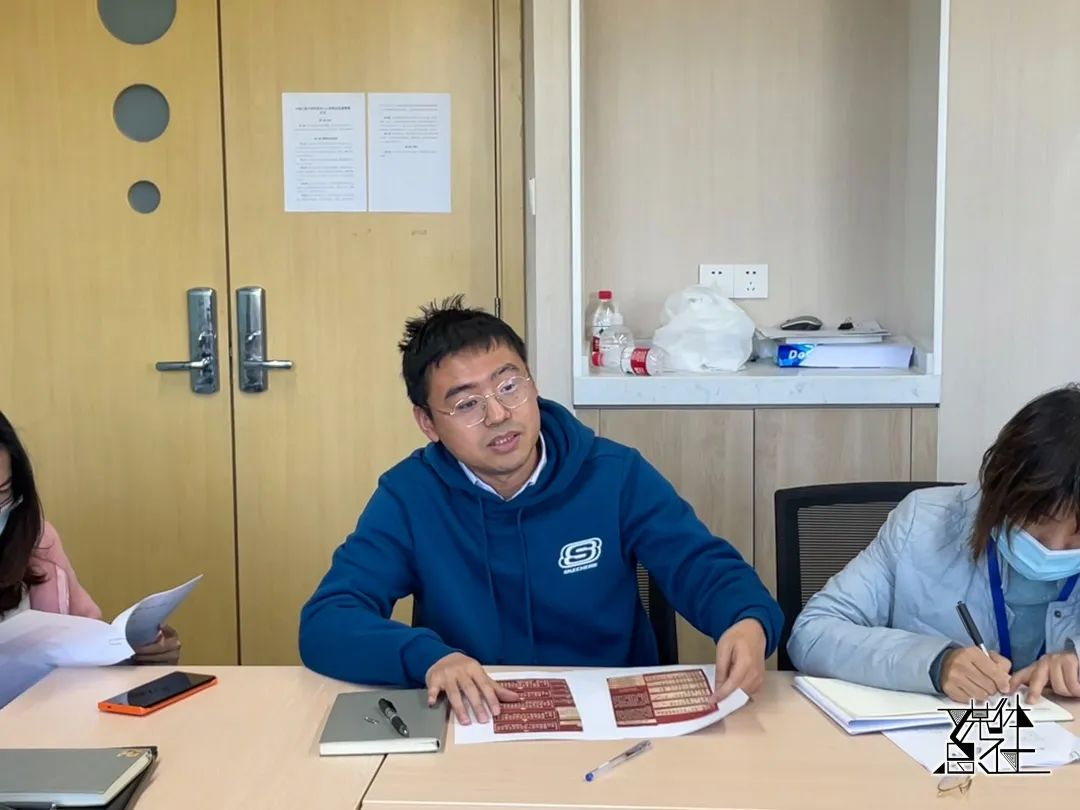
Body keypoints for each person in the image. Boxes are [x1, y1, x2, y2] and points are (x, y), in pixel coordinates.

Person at [300, 296, 782, 724]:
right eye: (466, 405)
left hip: (612, 719)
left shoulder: (614, 474)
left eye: (509, 387)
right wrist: (428, 658)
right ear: (428, 423)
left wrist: (746, 619)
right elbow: (328, 621)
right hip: (477, 717)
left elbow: (700, 564)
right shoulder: (410, 495)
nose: (498, 415)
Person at [788, 384, 1080, 705]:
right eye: (1038, 523)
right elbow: (812, 634)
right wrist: (935, 663)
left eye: (1077, 536)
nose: (1055, 548)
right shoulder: (922, 524)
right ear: (1001, 493)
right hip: (937, 731)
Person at [0, 411, 180, 705]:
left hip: (44, 725)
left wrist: (140, 657)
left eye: (2, 493)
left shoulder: (37, 542)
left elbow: (85, 653)